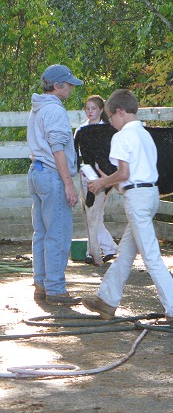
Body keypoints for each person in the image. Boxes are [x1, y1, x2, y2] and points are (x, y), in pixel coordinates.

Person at [82, 89, 173, 325]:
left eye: (111, 118)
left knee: (151, 256)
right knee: (125, 253)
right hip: (150, 194)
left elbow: (124, 173)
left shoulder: (121, 137)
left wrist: (101, 182)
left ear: (119, 112)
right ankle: (107, 300)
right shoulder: (145, 134)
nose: (112, 123)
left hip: (137, 198)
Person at [27, 64, 83, 305]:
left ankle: (40, 283)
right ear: (57, 85)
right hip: (52, 173)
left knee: (41, 232)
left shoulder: (38, 108)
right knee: (58, 233)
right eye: (68, 83)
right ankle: (56, 288)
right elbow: (58, 149)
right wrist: (69, 184)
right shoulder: (55, 111)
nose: (71, 87)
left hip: (37, 171)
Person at [76, 95, 118, 264]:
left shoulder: (109, 130)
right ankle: (102, 248)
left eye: (93, 108)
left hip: (103, 175)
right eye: (88, 108)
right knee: (89, 212)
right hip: (86, 172)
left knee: (95, 212)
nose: (90, 112)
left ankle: (101, 249)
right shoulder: (81, 130)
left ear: (101, 110)